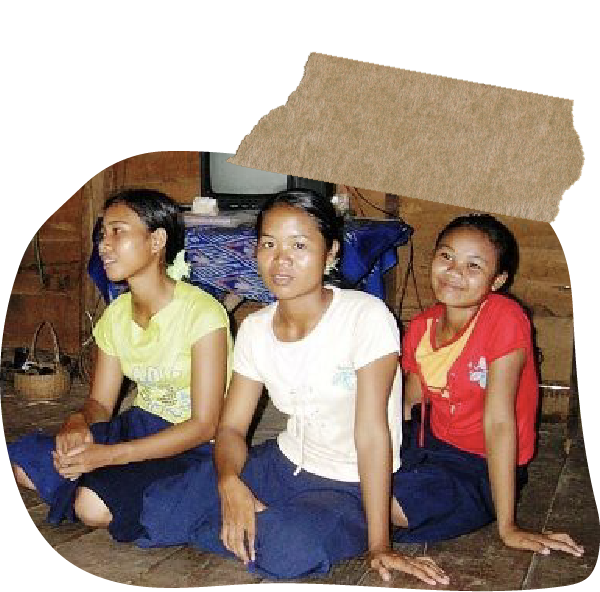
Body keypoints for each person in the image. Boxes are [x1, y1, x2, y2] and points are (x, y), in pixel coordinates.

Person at [138, 189, 449, 584]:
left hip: (349, 483)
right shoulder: (255, 329)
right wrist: (230, 482)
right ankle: (249, 522)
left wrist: (380, 545)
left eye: (299, 245)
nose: (280, 259)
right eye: (269, 244)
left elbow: (372, 434)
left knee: (290, 548)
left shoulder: (365, 317)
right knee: (159, 510)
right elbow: (231, 427)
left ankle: (259, 525)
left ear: (331, 252)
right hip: (283, 464)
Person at [7, 188, 232, 544]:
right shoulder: (115, 316)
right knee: (24, 464)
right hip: (140, 426)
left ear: (157, 241)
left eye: (118, 232)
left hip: (192, 445)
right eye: (102, 234)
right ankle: (103, 485)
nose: (104, 245)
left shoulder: (202, 314)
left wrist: (110, 456)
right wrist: (78, 421)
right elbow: (100, 403)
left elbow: (204, 425)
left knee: (92, 507)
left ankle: (105, 490)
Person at [391, 213, 584, 557]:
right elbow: (409, 406)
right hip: (431, 446)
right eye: (446, 256)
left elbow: (499, 423)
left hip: (482, 463)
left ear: (497, 280)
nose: (454, 272)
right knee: (357, 476)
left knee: (393, 508)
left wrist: (508, 527)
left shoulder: (504, 318)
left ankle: (480, 502)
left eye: (473, 266)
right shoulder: (422, 327)